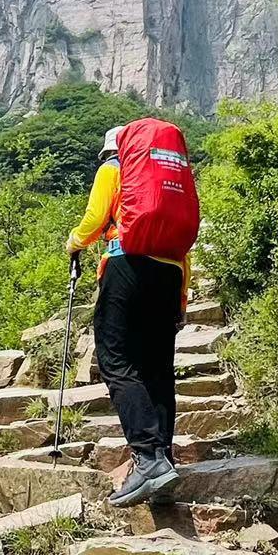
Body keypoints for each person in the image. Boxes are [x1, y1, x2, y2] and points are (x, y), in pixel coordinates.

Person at [67, 122, 196, 508]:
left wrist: (73, 243)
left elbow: (93, 220)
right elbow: (183, 251)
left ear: (113, 149)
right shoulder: (165, 182)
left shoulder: (113, 169)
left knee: (116, 359)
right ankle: (164, 458)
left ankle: (148, 457)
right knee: (157, 367)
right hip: (170, 274)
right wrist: (182, 301)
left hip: (127, 268)